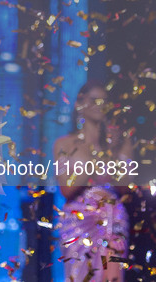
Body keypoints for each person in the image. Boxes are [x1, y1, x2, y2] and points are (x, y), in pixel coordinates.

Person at [54, 80, 131, 282]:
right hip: (78, 223)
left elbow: (125, 186)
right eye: (94, 100)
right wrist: (94, 158)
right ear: (81, 103)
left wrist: (113, 151)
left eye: (104, 101)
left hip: (113, 220)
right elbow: (67, 188)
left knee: (112, 275)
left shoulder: (120, 142)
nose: (99, 105)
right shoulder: (64, 144)